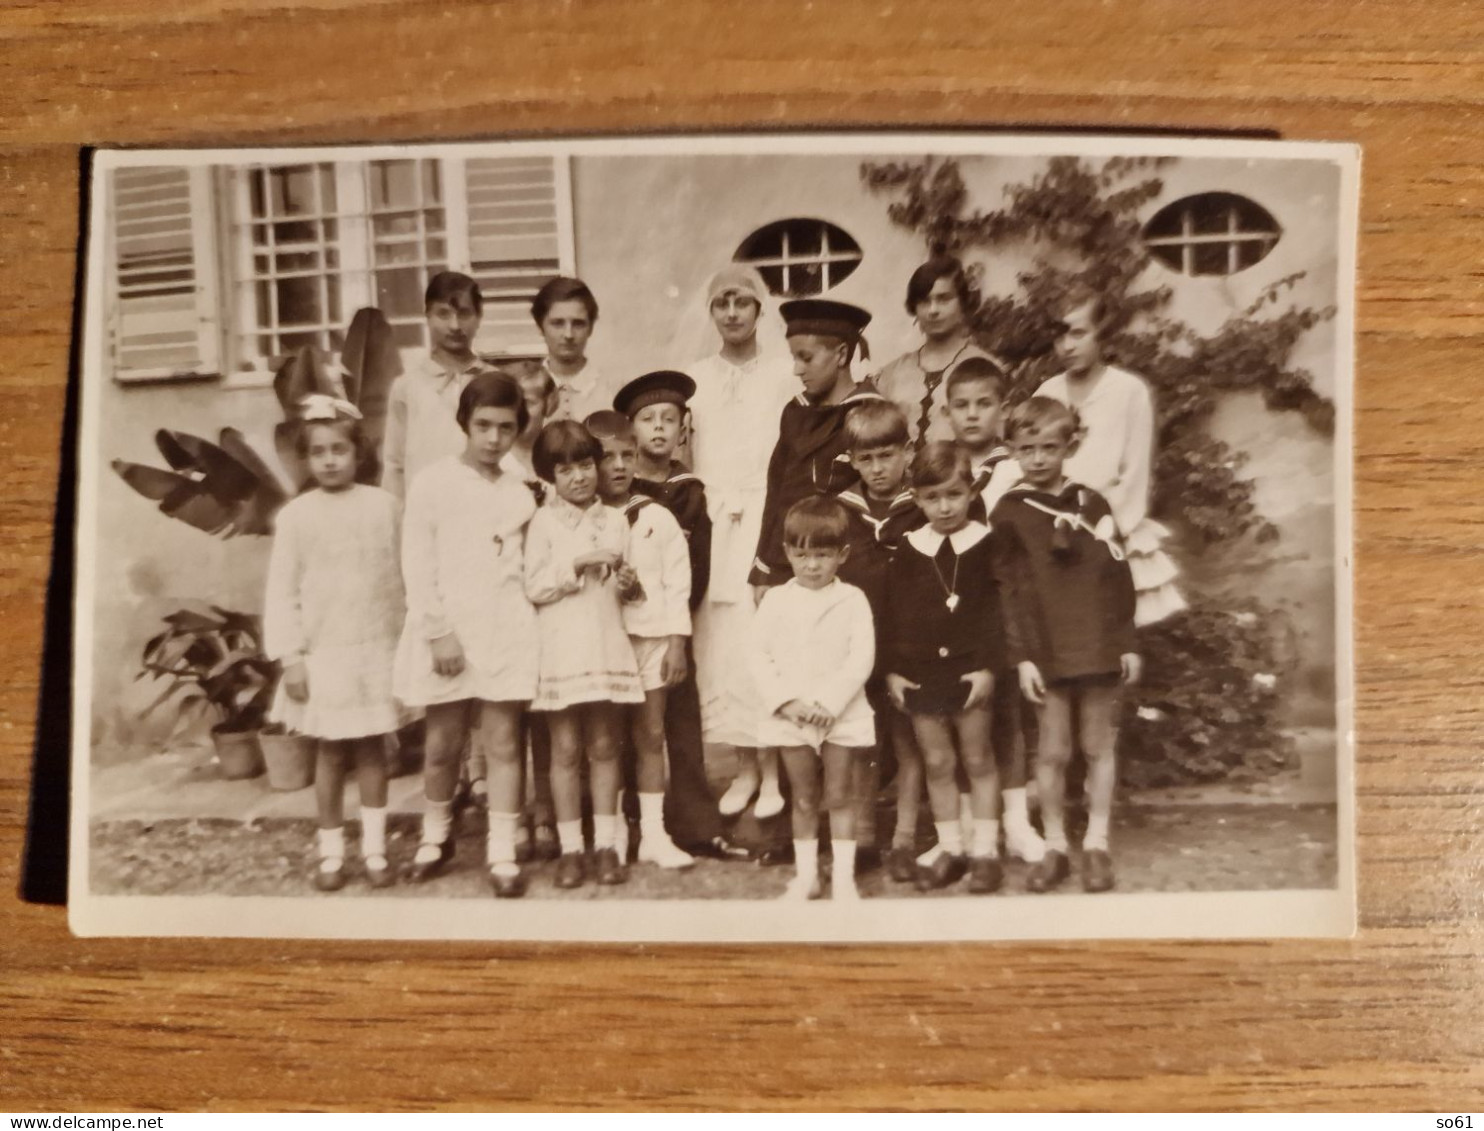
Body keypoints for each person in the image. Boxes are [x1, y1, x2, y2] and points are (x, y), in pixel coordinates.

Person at [393, 373, 537, 898]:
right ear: (464, 425)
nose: (494, 438)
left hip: (505, 628)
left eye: (505, 427)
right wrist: (437, 632)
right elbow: (418, 562)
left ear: (518, 428)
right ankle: (436, 837)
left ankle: (501, 850)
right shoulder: (433, 483)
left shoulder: (521, 486)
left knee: (502, 744)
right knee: (442, 745)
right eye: (483, 426)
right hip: (449, 631)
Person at [742, 297, 881, 835]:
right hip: (795, 564)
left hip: (852, 565)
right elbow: (778, 491)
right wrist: (762, 566)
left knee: (846, 692)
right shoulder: (796, 412)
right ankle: (798, 823)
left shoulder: (865, 414)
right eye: (794, 358)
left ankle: (857, 822)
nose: (797, 369)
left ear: (841, 353)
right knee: (792, 681)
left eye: (806, 357)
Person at [992, 397, 1140, 894]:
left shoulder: (1091, 504)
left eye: (1049, 447)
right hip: (1046, 648)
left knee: (1098, 744)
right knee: (1053, 750)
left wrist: (1125, 640)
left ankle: (1096, 843)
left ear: (1068, 446)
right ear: (1011, 449)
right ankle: (1055, 844)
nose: (1037, 458)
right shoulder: (1010, 513)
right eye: (1027, 448)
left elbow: (1117, 575)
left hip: (1095, 642)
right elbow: (1007, 593)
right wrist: (1023, 658)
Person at [264, 396, 404, 892]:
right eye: (318, 451)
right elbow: (282, 591)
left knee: (372, 751)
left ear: (357, 453)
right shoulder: (297, 517)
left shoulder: (384, 507)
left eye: (339, 449)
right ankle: (330, 852)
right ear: (306, 458)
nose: (329, 459)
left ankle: (374, 848)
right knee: (330, 753)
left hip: (373, 650)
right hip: (325, 655)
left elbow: (400, 578)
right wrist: (292, 658)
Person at [684, 266, 798, 838]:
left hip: (762, 517)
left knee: (763, 644)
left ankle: (775, 772)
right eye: (721, 302)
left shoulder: (782, 377)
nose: (732, 313)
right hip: (713, 524)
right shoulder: (694, 378)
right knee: (721, 647)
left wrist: (774, 539)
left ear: (760, 309)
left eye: (742, 302)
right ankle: (745, 770)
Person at [613, 371, 743, 861]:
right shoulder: (619, 487)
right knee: (629, 730)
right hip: (622, 627)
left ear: (684, 428)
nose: (659, 429)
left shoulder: (690, 491)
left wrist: (677, 628)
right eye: (648, 420)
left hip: (673, 626)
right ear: (632, 429)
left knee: (683, 725)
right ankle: (629, 824)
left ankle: (695, 825)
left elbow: (698, 565)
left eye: (670, 419)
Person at [524, 420, 646, 889]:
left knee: (603, 747)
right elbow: (534, 586)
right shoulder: (544, 522)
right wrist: (576, 564)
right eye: (565, 470)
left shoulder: (615, 521)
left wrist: (630, 585)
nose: (578, 477)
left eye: (584, 465)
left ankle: (607, 845)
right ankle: (571, 847)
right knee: (567, 750)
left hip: (605, 644)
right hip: (561, 649)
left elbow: (627, 590)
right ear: (549, 478)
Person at [882, 442, 1007, 894]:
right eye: (932, 497)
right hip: (921, 673)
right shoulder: (911, 548)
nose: (944, 506)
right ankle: (951, 847)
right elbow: (894, 614)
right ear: (916, 498)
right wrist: (893, 669)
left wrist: (990, 667)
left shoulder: (987, 543)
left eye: (954, 494)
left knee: (977, 757)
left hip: (971, 671)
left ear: (971, 492)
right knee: (937, 761)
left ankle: (986, 852)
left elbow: (1000, 611)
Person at [942, 358, 1046, 865]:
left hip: (1004, 612)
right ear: (947, 413)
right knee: (962, 719)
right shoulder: (944, 470)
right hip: (958, 614)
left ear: (1003, 410)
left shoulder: (1014, 470)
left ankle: (1018, 822)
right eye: (961, 406)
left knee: (1008, 721)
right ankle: (964, 825)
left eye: (984, 404)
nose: (972, 415)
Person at [585, 409, 697, 870]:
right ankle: (608, 837)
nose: (616, 466)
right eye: (605, 456)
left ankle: (653, 834)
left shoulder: (658, 517)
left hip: (651, 640)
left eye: (626, 455)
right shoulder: (580, 521)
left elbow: (678, 583)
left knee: (651, 735)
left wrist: (677, 642)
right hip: (602, 642)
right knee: (605, 741)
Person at [749, 496, 876, 901]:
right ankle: (807, 877)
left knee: (839, 795)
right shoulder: (775, 600)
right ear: (787, 552)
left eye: (822, 555)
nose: (812, 565)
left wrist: (829, 704)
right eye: (802, 555)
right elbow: (757, 654)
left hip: (839, 713)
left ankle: (842, 877)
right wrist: (787, 701)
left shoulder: (853, 600)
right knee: (803, 797)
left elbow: (861, 658)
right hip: (793, 715)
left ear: (842, 555)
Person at [1036, 291, 1184, 627]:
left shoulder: (1129, 392)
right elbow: (1031, 463)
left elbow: (1135, 475)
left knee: (1108, 627)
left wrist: (1098, 524)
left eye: (1078, 333)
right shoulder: (1047, 393)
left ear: (1100, 332)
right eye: (1059, 336)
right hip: (1054, 529)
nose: (1067, 346)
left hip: (1110, 528)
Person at [833, 399, 927, 883]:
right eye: (866, 459)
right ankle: (864, 834)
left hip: (910, 648)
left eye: (886, 456)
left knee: (909, 744)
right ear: (852, 460)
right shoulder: (844, 511)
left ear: (907, 453)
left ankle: (905, 839)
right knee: (863, 742)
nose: (877, 468)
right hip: (860, 651)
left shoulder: (921, 508)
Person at [873, 256, 1005, 450]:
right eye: (925, 301)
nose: (933, 310)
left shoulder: (987, 367)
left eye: (944, 299)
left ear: (962, 303)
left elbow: (998, 441)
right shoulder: (890, 375)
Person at [380, 271, 490, 503]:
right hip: (426, 512)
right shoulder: (407, 387)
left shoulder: (495, 381)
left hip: (484, 508)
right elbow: (394, 465)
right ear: (427, 316)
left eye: (464, 314)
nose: (454, 325)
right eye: (443, 314)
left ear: (479, 317)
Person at [531, 276, 616, 426]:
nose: (568, 334)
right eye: (557, 323)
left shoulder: (613, 391)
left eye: (578, 324)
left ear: (590, 328)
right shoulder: (523, 390)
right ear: (540, 327)